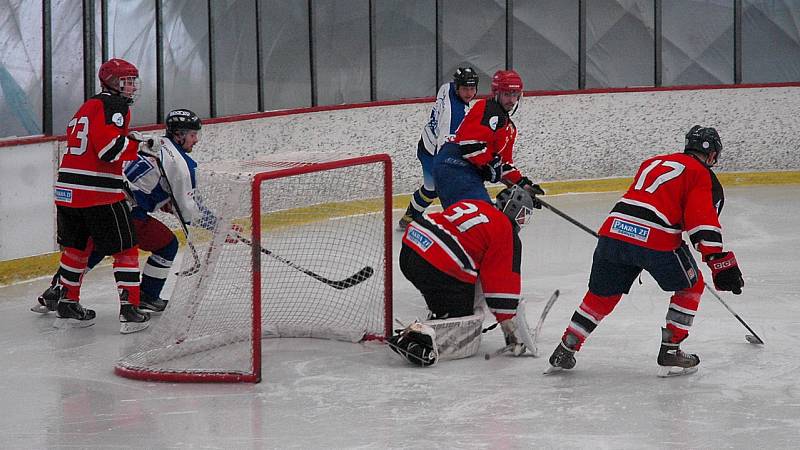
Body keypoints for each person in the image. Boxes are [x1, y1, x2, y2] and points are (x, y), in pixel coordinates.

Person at [546, 125, 745, 377]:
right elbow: (700, 218)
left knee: (601, 294)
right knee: (691, 286)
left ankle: (567, 347)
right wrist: (717, 259)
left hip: (614, 230)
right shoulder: (701, 173)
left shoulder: (653, 162)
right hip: (656, 237)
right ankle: (671, 349)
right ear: (713, 155)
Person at [33, 109, 207, 319]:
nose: (196, 140)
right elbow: (189, 212)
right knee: (166, 245)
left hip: (103, 201)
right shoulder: (182, 164)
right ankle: (146, 297)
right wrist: (219, 224)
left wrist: (162, 200)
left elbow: (143, 181)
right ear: (179, 134)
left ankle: (55, 291)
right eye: (192, 135)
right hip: (125, 212)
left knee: (93, 248)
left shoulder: (152, 144)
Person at [49, 58, 151, 333]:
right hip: (97, 192)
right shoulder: (114, 105)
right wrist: (140, 144)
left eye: (132, 81)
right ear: (112, 82)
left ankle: (67, 302)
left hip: (67, 191)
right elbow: (108, 151)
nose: (130, 86)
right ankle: (130, 309)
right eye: (125, 81)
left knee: (76, 248)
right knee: (126, 248)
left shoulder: (88, 105)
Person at [388, 183, 538, 366]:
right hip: (437, 263)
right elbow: (501, 286)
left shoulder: (478, 205)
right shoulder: (506, 230)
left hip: (412, 247)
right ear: (513, 209)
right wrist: (510, 329)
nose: (522, 222)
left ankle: (439, 317)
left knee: (459, 290)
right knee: (462, 322)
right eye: (522, 215)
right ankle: (416, 337)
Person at [432, 69, 544, 209]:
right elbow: (469, 145)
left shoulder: (509, 128)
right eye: (507, 94)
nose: (512, 100)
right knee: (480, 218)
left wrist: (523, 186)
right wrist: (489, 164)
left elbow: (504, 164)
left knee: (474, 221)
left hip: (466, 172)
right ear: (496, 93)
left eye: (515, 95)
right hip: (454, 165)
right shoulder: (486, 108)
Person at [397, 67, 479, 230]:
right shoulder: (453, 117)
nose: (469, 93)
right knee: (440, 188)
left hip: (427, 142)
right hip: (433, 153)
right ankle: (457, 223)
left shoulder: (447, 87)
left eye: (472, 89)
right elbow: (445, 151)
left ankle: (410, 216)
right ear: (457, 87)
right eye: (465, 89)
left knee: (432, 188)